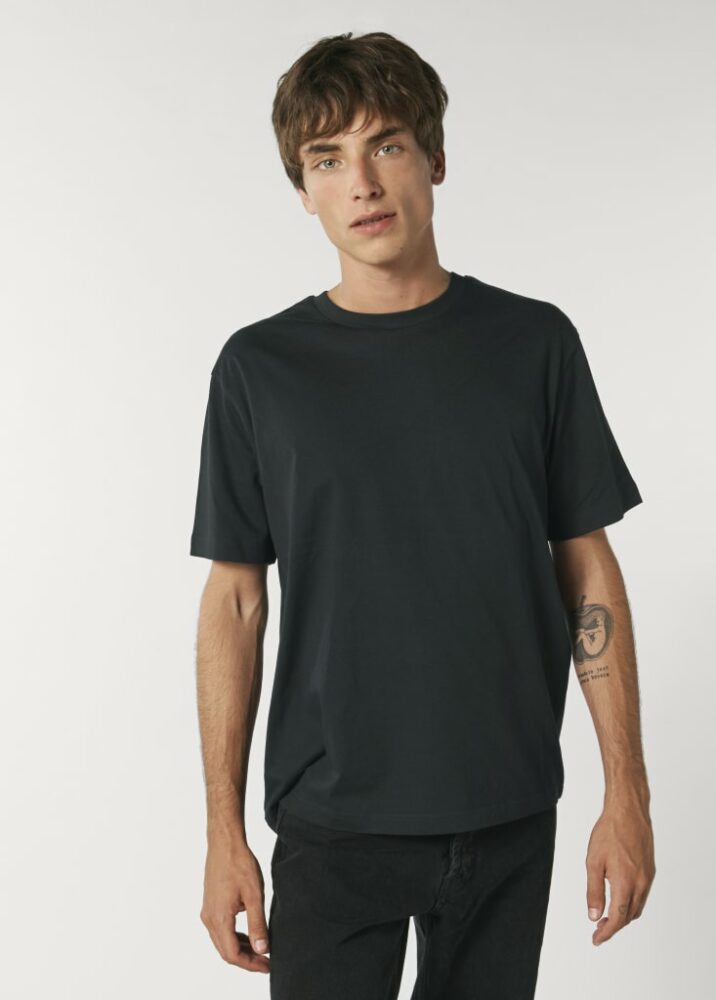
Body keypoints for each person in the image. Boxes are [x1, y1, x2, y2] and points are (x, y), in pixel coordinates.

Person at [190, 29, 655, 999]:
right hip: (331, 823)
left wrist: (627, 792)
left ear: (434, 158)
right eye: (327, 159)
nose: (361, 183)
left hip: (506, 811)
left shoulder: (533, 344)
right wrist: (221, 831)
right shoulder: (259, 369)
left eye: (386, 145)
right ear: (303, 188)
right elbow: (234, 600)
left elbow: (586, 566)